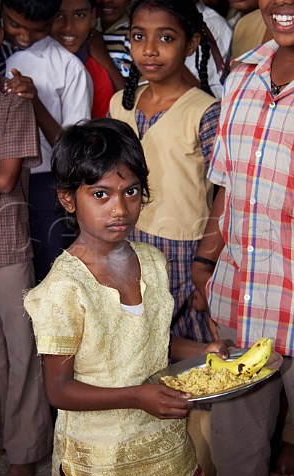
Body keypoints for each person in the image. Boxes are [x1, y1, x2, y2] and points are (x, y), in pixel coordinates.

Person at [24, 117, 233, 476]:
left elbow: (150, 340)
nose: (120, 209)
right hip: (101, 459)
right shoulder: (63, 288)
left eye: (131, 192)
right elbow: (59, 390)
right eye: (100, 194)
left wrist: (203, 351)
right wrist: (138, 396)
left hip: (165, 449)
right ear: (68, 199)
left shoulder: (152, 262)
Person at [191, 0, 294, 476]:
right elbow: (228, 186)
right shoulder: (244, 76)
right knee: (237, 449)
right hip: (243, 296)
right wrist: (207, 260)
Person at [109, 0, 220, 344]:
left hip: (183, 247)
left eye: (166, 39)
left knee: (188, 344)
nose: (150, 50)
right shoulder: (120, 104)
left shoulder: (205, 111)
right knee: (137, 338)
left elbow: (227, 192)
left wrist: (206, 261)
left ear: (191, 45)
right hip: (125, 238)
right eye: (139, 36)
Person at [0, 1, 53, 476]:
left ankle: (25, 453)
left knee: (22, 347)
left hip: (3, 242)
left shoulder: (11, 99)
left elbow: (5, 178)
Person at [3, 0, 93, 281]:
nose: (25, 37)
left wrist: (35, 101)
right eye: (15, 25)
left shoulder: (69, 68)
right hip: (0, 180)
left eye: (37, 30)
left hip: (46, 183)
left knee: (48, 271)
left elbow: (73, 152)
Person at [50, 0, 114, 119]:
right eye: (58, 16)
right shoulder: (26, 61)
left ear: (93, 17)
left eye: (79, 15)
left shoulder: (98, 77)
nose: (68, 27)